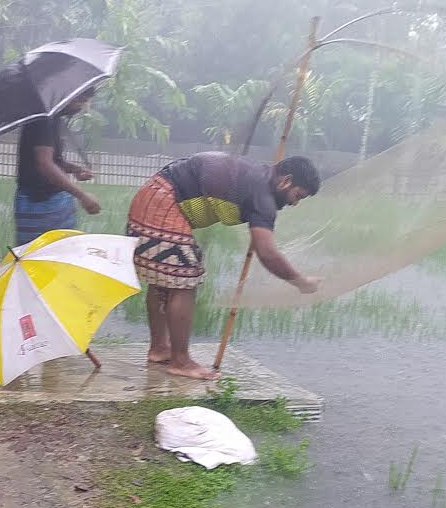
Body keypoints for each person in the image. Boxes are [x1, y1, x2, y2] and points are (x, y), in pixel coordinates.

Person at [126, 152, 323, 380]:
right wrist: (300, 282)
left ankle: (160, 348)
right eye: (297, 196)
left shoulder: (258, 178)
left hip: (152, 194)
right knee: (183, 282)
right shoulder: (263, 197)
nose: (294, 203)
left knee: (164, 280)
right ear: (286, 181)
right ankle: (180, 362)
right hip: (163, 202)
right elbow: (268, 254)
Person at [14, 89, 101, 246]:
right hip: (39, 203)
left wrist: (74, 169)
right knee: (39, 255)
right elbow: (45, 164)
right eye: (80, 100)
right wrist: (82, 196)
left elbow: (51, 160)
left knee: (59, 253)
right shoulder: (43, 119)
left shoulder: (52, 118)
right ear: (67, 95)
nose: (82, 107)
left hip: (53, 201)